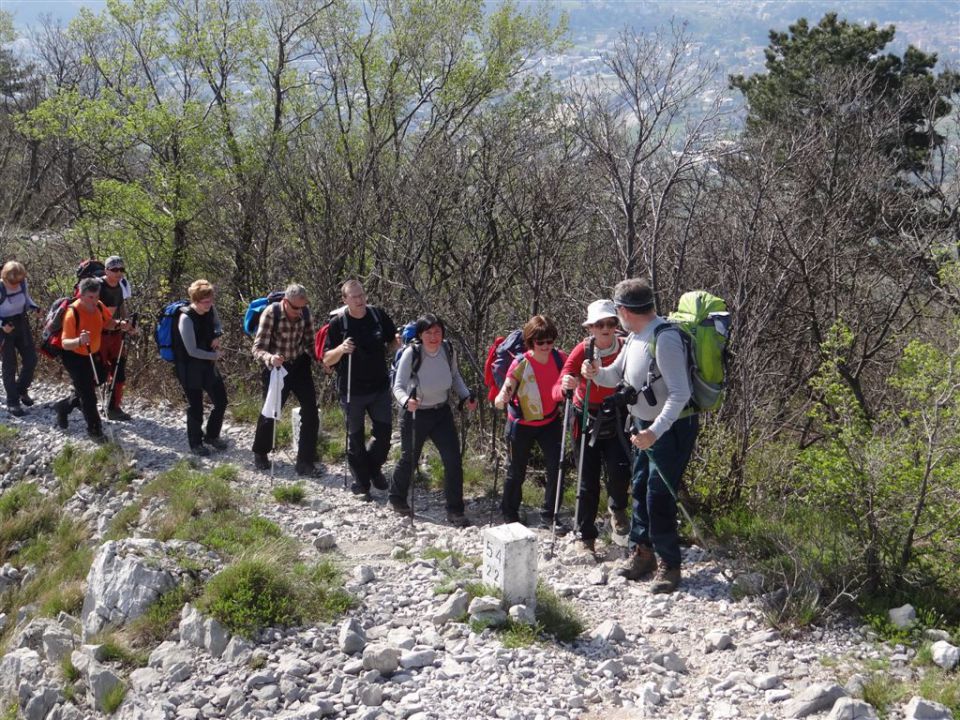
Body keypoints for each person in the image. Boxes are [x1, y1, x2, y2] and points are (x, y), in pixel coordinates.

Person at [583, 278, 698, 593]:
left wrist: (654, 432)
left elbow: (680, 394)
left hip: (670, 430)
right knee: (641, 487)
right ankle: (642, 552)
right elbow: (614, 376)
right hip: (644, 428)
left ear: (623, 310)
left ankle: (669, 565)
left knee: (658, 495)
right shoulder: (634, 337)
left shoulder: (665, 338)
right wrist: (595, 372)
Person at [554, 299, 631, 554]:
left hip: (617, 416)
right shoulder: (583, 349)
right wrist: (570, 381)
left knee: (620, 471)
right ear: (591, 328)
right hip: (585, 417)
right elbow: (565, 377)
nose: (606, 327)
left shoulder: (626, 347)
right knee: (587, 480)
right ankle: (586, 537)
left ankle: (617, 508)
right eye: (600, 324)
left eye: (610, 322)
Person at [391, 314, 477, 526]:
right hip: (415, 413)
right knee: (409, 458)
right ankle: (397, 497)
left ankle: (455, 510)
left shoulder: (448, 350)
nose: (433, 336)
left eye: (437, 331)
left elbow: (455, 376)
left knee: (453, 461)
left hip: (441, 412)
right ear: (420, 334)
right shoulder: (412, 353)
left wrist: (465, 395)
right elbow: (398, 386)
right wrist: (405, 402)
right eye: (428, 332)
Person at [322, 279, 398, 501]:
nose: (360, 300)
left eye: (362, 295)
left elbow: (392, 341)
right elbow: (326, 359)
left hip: (379, 386)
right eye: (354, 297)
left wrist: (400, 345)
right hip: (351, 389)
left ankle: (373, 468)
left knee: (383, 436)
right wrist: (341, 349)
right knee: (355, 438)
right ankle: (362, 483)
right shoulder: (338, 324)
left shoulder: (377, 315)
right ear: (345, 300)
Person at [494, 315, 568, 530]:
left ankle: (550, 515)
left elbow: (574, 375)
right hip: (521, 424)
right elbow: (508, 386)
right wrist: (502, 398)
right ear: (530, 342)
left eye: (549, 341)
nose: (546, 346)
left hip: (550, 422)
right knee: (516, 470)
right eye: (540, 342)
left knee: (557, 468)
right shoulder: (521, 363)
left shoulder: (560, 358)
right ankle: (510, 514)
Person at [251, 283, 321, 477]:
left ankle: (305, 461)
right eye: (296, 308)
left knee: (311, 411)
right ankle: (260, 451)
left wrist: (321, 360)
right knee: (271, 411)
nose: (299, 311)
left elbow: (309, 343)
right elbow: (257, 348)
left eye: (303, 306)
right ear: (285, 302)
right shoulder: (270, 314)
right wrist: (270, 358)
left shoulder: (305, 314)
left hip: (299, 365)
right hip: (276, 368)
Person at [54, 277, 114, 442]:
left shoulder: (99, 306)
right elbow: (65, 343)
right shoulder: (72, 313)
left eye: (96, 296)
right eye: (90, 297)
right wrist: (79, 341)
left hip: (91, 354)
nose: (94, 301)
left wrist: (120, 324)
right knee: (88, 396)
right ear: (81, 295)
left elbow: (107, 322)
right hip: (73, 356)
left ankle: (63, 406)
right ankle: (95, 431)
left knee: (100, 377)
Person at [173, 279, 228, 456]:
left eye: (211, 301)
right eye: (206, 302)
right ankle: (195, 443)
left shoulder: (210, 309)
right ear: (195, 301)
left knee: (221, 401)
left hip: (207, 365)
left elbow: (217, 325)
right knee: (195, 406)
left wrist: (217, 336)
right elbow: (191, 350)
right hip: (189, 368)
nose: (210, 305)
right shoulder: (185, 318)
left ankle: (212, 436)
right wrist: (214, 355)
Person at [97, 255, 136, 421]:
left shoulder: (122, 285)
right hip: (99, 335)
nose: (119, 273)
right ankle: (76, 402)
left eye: (121, 269)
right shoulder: (97, 286)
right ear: (106, 270)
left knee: (119, 371)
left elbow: (122, 307)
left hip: (116, 333)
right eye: (114, 270)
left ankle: (113, 407)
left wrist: (128, 324)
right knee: (98, 373)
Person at [0, 261, 40, 417]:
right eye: (13, 282)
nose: (16, 284)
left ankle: (21, 389)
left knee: (31, 359)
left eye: (18, 281)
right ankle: (13, 402)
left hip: (21, 323)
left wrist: (35, 307)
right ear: (5, 277)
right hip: (4, 328)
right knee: (9, 365)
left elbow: (27, 300)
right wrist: (2, 324)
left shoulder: (23, 283)